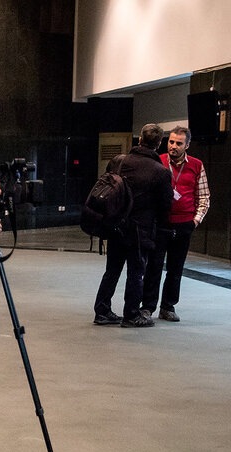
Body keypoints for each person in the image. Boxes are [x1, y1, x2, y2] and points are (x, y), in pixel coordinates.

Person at [93, 123, 172, 327]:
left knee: (112, 270)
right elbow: (166, 204)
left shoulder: (118, 161)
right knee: (136, 272)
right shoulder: (161, 172)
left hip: (116, 224)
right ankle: (131, 314)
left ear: (139, 140)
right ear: (159, 144)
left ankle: (102, 311)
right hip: (141, 229)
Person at [141, 126, 209, 322]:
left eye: (179, 143)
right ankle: (147, 307)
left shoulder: (196, 165)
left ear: (187, 145)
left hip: (184, 225)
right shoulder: (158, 161)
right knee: (153, 267)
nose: (174, 146)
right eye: (171, 142)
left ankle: (168, 307)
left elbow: (204, 196)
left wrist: (195, 221)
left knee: (175, 268)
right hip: (161, 224)